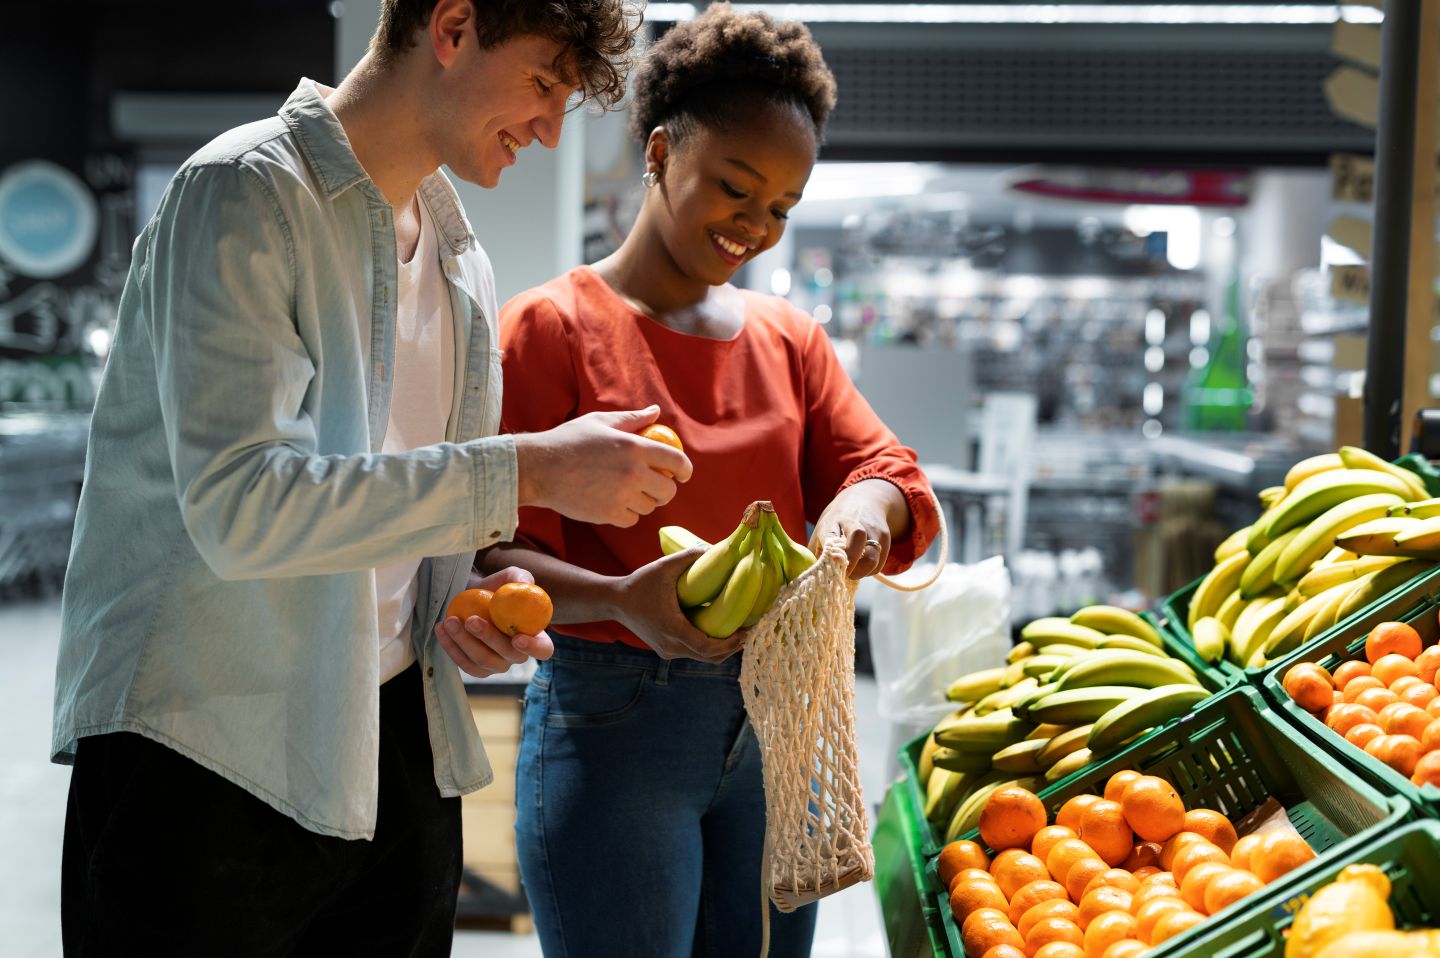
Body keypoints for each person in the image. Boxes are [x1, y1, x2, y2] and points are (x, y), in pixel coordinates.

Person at [50, 2, 684, 955]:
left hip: (396, 746)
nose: (552, 129)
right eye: (546, 82)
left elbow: (380, 516)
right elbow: (245, 508)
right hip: (210, 751)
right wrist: (529, 471)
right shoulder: (245, 193)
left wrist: (460, 598)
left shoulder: (460, 260)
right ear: (455, 26)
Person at [489, 5, 942, 955]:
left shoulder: (789, 341)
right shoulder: (551, 329)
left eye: (780, 207)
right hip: (615, 726)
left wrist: (866, 503)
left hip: (785, 738)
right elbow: (491, 550)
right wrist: (620, 597)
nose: (756, 226)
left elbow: (887, 470)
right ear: (660, 154)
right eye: (735, 188)